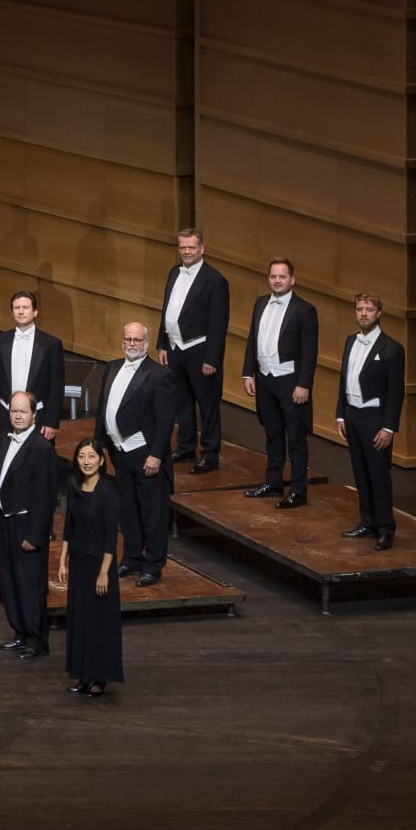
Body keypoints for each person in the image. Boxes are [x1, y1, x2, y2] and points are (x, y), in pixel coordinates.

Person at [100, 324, 183, 585]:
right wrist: (99, 445)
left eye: (137, 340)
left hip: (146, 455)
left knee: (152, 513)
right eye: (128, 339)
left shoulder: (159, 375)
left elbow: (166, 419)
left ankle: (153, 564)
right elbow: (104, 407)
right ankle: (132, 558)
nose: (132, 343)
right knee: (128, 510)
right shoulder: (112, 367)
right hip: (120, 453)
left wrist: (157, 454)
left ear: (146, 343)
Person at [243, 258, 321, 507]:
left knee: (296, 438)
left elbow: (310, 352)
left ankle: (298, 490)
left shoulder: (304, 310)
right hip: (265, 380)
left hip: (290, 382)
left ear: (292, 280)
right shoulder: (260, 303)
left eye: (282, 276)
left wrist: (304, 384)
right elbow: (252, 340)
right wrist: (248, 373)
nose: (277, 280)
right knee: (272, 434)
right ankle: (273, 482)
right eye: (273, 276)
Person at [0, 390, 57, 659]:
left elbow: (46, 496)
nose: (17, 416)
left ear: (34, 415)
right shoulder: (6, 440)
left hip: (26, 524)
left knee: (30, 583)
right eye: (14, 411)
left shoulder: (42, 449)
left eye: (23, 412)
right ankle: (19, 631)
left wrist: (35, 534)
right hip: (5, 520)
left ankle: (36, 638)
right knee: (9, 579)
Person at [160, 227, 231, 471]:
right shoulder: (173, 272)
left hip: (200, 351)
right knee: (181, 400)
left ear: (202, 249)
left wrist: (212, 359)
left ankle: (210, 454)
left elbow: (218, 324)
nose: (187, 252)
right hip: (175, 348)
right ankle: (186, 447)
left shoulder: (215, 280)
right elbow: (167, 310)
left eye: (191, 247)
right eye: (183, 247)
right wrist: (162, 343)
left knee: (208, 404)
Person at [339, 293, 406, 548]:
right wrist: (340, 414)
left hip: (375, 418)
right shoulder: (349, 342)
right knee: (360, 472)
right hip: (353, 415)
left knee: (378, 475)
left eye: (368, 309)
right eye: (359, 309)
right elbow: (343, 380)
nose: (363, 313)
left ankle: (386, 528)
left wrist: (388, 427)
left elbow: (396, 392)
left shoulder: (392, 349)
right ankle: (367, 521)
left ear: (379, 313)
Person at [62, 436, 124, 699]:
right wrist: (62, 561)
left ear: (101, 460)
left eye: (91, 457)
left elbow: (111, 537)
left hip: (99, 566)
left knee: (99, 623)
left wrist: (103, 573)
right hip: (78, 563)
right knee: (80, 621)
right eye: (82, 456)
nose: (86, 462)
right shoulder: (75, 487)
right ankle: (84, 674)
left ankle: (100, 677)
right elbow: (68, 526)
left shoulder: (108, 493)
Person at [0, 290, 68, 445]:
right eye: (17, 308)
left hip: (39, 419)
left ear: (35, 312)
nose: (21, 311)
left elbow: (56, 386)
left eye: (25, 307)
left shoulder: (51, 344)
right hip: (5, 417)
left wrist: (52, 422)